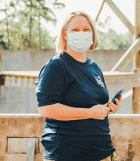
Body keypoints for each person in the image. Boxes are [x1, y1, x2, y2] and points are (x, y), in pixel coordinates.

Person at [35, 11, 122, 161]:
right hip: (67, 154)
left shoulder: (94, 67)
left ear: (93, 34)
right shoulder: (56, 66)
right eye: (75, 30)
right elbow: (46, 109)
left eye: (86, 29)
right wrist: (90, 113)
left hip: (101, 152)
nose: (81, 33)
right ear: (65, 34)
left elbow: (91, 103)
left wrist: (107, 107)